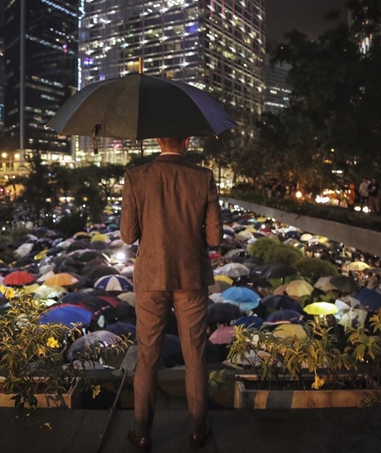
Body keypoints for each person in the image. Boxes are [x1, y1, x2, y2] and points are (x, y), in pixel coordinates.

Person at [121, 136, 222, 451]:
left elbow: (127, 235)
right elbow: (215, 236)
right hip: (191, 276)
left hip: (151, 276)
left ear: (157, 141)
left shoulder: (136, 177)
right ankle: (196, 430)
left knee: (148, 357)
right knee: (195, 356)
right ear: (187, 142)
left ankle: (141, 432)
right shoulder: (203, 176)